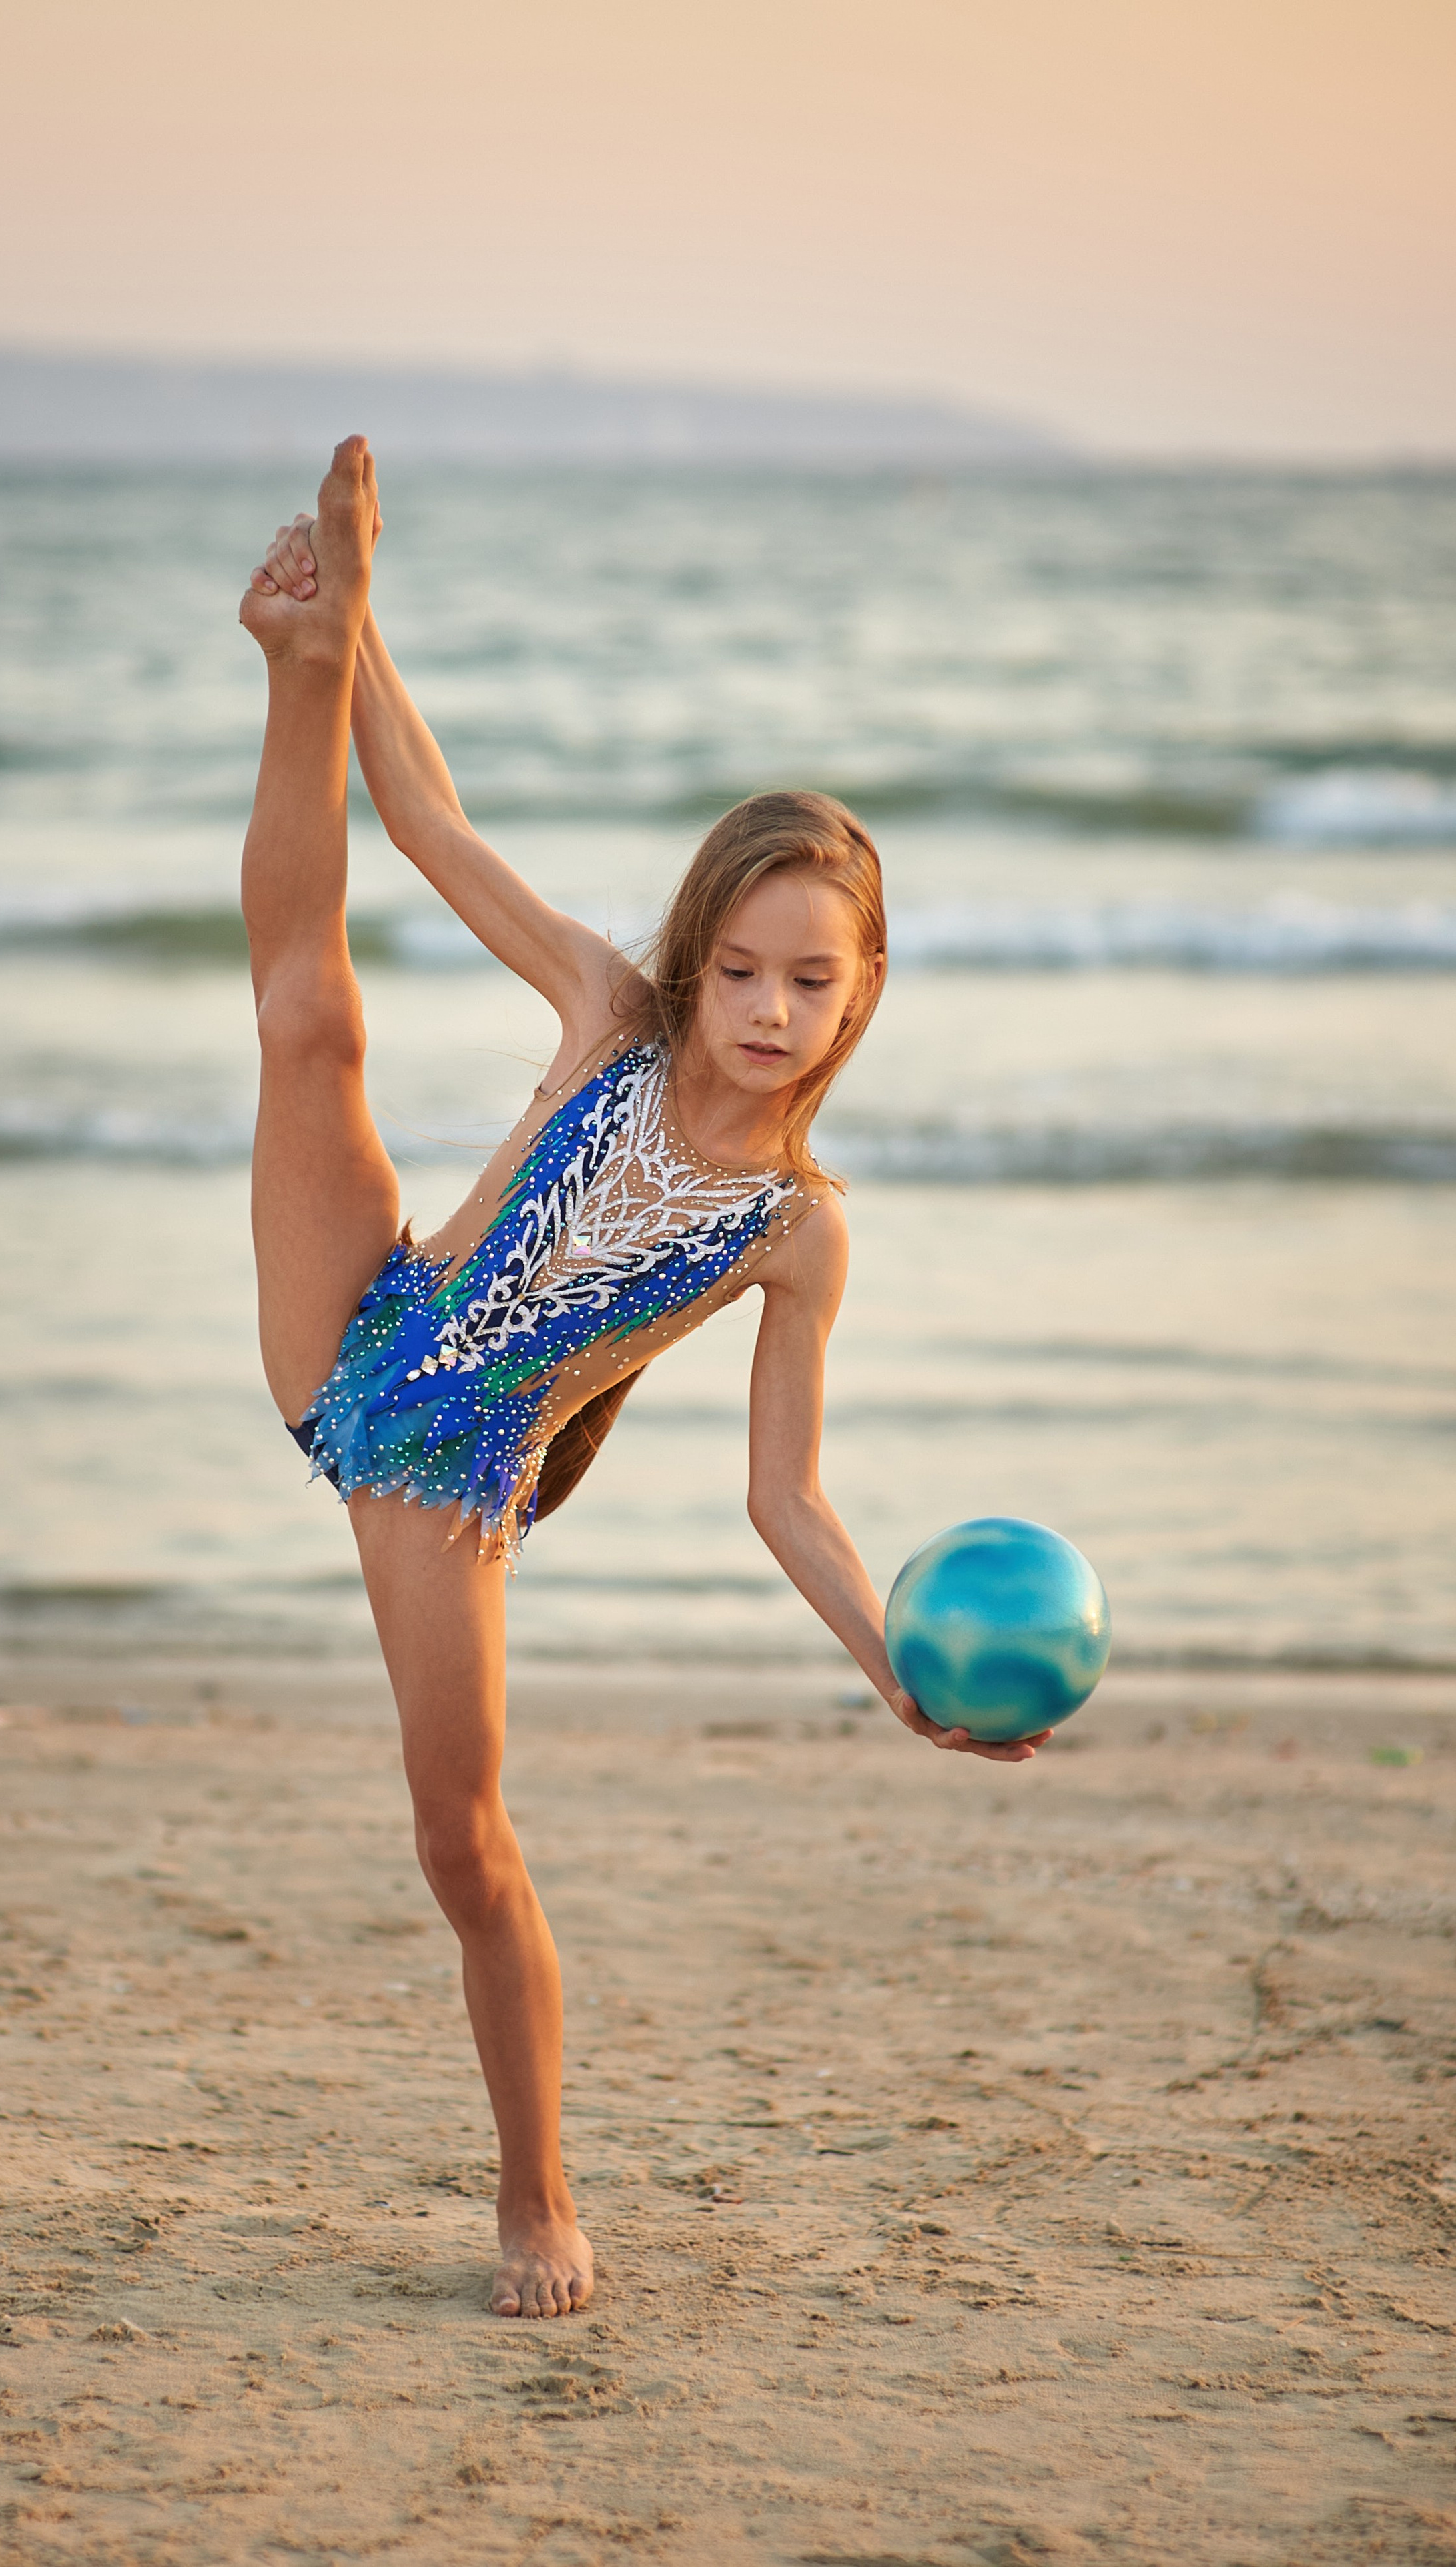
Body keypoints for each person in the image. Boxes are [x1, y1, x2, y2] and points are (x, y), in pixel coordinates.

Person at [239, 437, 1049, 2321]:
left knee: (465, 1838)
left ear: (859, 999)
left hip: (452, 1475)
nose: (771, 1011)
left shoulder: (794, 1231)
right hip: (360, 1315)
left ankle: (537, 2191)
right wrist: (361, 640)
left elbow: (789, 1501)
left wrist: (904, 1682)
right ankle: (290, 661)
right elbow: (429, 827)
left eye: (812, 984)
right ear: (705, 953)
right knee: (308, 1018)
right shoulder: (612, 1014)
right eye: (749, 967)